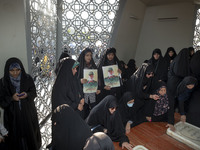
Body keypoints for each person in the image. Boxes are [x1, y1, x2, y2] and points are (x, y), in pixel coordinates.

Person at [0, 57, 41, 150]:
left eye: (18, 70)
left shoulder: (27, 78)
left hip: (28, 115)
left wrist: (27, 95)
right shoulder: (3, 82)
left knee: (30, 137)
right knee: (15, 140)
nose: (15, 73)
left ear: (21, 69)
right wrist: (11, 98)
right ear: (7, 70)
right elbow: (2, 101)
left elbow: (33, 92)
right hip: (12, 117)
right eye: (12, 70)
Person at [77, 48, 100, 118]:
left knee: (93, 108)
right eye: (87, 55)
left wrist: (98, 88)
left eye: (90, 55)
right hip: (81, 93)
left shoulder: (93, 66)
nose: (89, 57)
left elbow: (97, 78)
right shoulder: (77, 65)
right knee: (83, 110)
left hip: (92, 92)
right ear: (83, 56)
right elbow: (72, 78)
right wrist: (80, 80)